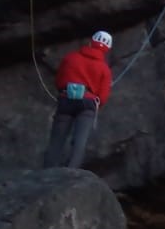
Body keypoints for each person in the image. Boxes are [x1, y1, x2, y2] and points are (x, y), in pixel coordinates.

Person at [42, 31, 114, 168]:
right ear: (107, 49)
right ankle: (72, 173)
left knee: (57, 140)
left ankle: (48, 170)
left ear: (90, 42)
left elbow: (59, 80)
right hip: (88, 103)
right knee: (79, 141)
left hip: (66, 99)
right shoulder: (104, 69)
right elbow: (103, 96)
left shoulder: (70, 58)